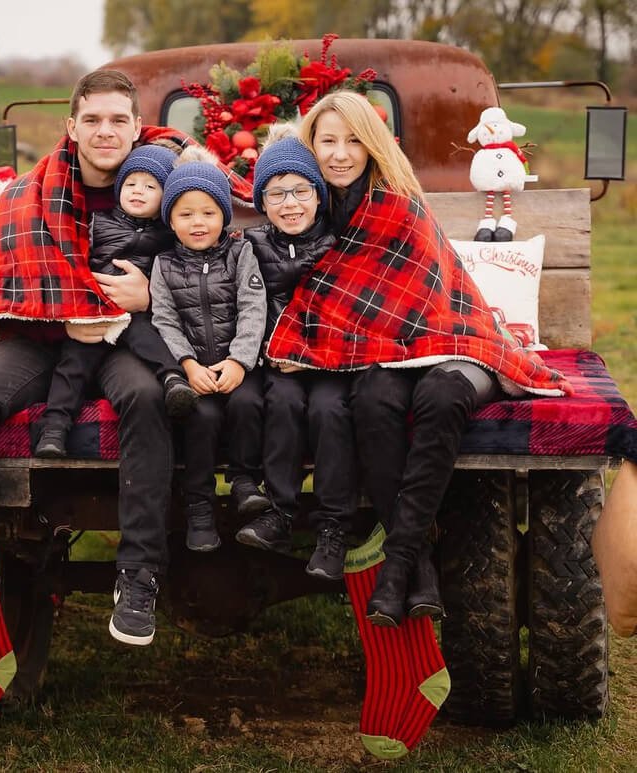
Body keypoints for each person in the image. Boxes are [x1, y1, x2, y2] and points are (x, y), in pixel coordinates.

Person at [0, 70, 256, 648]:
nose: (105, 131)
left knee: (148, 399)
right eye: (92, 120)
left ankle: (139, 574)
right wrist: (60, 308)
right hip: (42, 339)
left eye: (118, 120)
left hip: (129, 336)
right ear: (71, 126)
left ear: (136, 125)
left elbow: (222, 246)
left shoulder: (171, 178)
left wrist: (153, 294)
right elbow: (3, 275)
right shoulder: (30, 192)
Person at [267, 90, 571, 627]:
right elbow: (334, 302)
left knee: (441, 394)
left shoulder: (396, 202)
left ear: (374, 145)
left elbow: (428, 294)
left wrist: (327, 348)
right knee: (373, 400)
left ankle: (400, 562)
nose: (339, 153)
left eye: (354, 140)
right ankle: (422, 568)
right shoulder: (309, 206)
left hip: (455, 338)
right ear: (309, 143)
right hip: (384, 358)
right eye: (327, 140)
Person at [233, 125, 356, 581]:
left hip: (328, 361)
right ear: (261, 204)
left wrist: (314, 353)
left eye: (301, 190)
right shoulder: (251, 245)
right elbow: (246, 308)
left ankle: (333, 528)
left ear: (319, 195)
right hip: (277, 360)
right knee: (281, 402)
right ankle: (280, 515)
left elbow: (345, 311)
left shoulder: (337, 244)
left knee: (329, 410)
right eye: (277, 193)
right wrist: (268, 353)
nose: (290, 203)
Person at [34, 143, 198, 458]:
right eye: (131, 183)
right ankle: (54, 429)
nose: (138, 191)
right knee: (73, 364)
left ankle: (173, 379)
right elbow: (73, 259)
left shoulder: (170, 233)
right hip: (96, 312)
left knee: (148, 338)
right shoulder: (98, 222)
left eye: (151, 186)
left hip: (136, 313)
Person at [150, 147, 267, 551]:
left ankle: (243, 479)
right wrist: (187, 365)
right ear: (171, 220)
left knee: (247, 405)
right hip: (195, 368)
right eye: (185, 215)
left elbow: (254, 308)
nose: (198, 223)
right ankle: (199, 507)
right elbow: (164, 319)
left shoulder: (240, 253)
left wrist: (239, 361)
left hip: (238, 366)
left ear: (223, 216)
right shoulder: (163, 265)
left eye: (208, 213)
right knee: (199, 419)